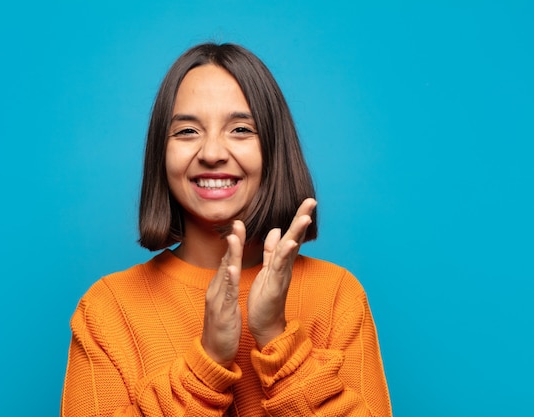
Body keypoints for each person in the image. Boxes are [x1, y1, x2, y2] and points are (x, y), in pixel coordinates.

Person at [61, 42, 392, 416]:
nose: (213, 152)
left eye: (240, 129)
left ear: (273, 148)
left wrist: (276, 336)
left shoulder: (336, 296)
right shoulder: (107, 310)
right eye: (187, 131)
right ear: (161, 152)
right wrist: (208, 362)